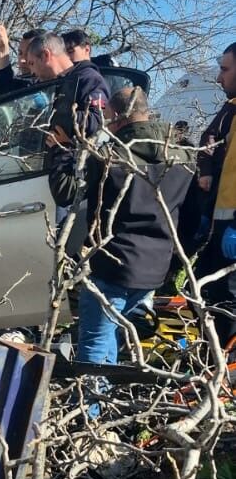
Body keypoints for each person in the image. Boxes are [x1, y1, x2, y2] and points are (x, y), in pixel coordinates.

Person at [50, 86, 192, 365]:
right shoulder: (182, 158)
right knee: (115, 338)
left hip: (112, 266)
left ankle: (91, 406)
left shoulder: (109, 157)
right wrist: (173, 262)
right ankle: (102, 402)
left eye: (107, 116)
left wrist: (60, 151)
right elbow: (189, 220)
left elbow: (65, 192)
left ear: (117, 115)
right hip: (154, 270)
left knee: (94, 346)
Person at [193, 41, 236, 342]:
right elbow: (207, 141)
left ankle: (225, 378)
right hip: (221, 224)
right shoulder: (229, 110)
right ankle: (215, 369)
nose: (219, 78)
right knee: (206, 292)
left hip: (231, 224)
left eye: (225, 69)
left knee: (227, 305)